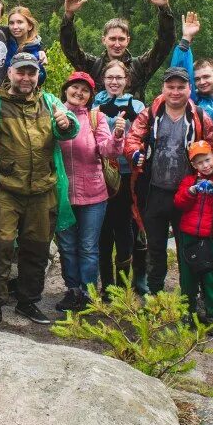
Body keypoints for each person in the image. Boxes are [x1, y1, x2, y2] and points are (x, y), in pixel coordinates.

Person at [0, 53, 80, 329]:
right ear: (10, 74)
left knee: (37, 249)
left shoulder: (50, 101)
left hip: (43, 190)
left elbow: (68, 129)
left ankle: (28, 301)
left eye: (31, 72)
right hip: (3, 190)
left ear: (37, 74)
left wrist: (67, 124)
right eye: (21, 72)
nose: (26, 78)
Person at [123, 66, 213, 296]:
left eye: (181, 87)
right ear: (163, 88)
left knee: (186, 248)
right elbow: (133, 138)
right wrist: (135, 153)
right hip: (154, 191)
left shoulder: (200, 116)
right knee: (156, 248)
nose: (176, 92)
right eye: (171, 87)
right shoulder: (150, 114)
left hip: (187, 193)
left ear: (189, 89)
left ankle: (188, 297)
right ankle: (155, 295)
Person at [55, 71, 125, 312]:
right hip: (62, 193)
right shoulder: (53, 113)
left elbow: (107, 150)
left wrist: (117, 137)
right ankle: (72, 290)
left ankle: (88, 293)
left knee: (87, 246)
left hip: (94, 194)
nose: (79, 92)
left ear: (90, 95)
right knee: (66, 246)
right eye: (75, 87)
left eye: (85, 90)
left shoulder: (97, 118)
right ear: (66, 89)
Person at [60, 0, 176, 98]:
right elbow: (70, 48)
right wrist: (69, 16)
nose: (117, 44)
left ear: (128, 40)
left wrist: (164, 10)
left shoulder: (140, 66)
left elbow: (165, 43)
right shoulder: (91, 66)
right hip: (97, 116)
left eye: (121, 39)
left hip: (134, 116)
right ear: (103, 40)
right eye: (112, 39)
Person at [173, 141, 213, 335]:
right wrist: (192, 191)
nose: (205, 165)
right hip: (188, 237)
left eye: (207, 159)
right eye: (199, 162)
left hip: (211, 238)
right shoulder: (189, 181)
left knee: (211, 277)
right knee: (188, 278)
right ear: (194, 165)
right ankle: (187, 312)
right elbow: (178, 203)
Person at [93, 59, 146, 293]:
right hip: (101, 174)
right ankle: (107, 285)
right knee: (104, 230)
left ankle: (123, 287)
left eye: (119, 78)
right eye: (110, 78)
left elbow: (143, 137)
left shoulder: (137, 105)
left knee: (124, 228)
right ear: (103, 80)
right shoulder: (94, 104)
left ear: (127, 80)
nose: (114, 82)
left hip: (127, 175)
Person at [169, 11, 213, 122]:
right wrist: (186, 38)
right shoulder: (195, 102)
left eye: (206, 76)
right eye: (197, 79)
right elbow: (177, 73)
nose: (202, 82)